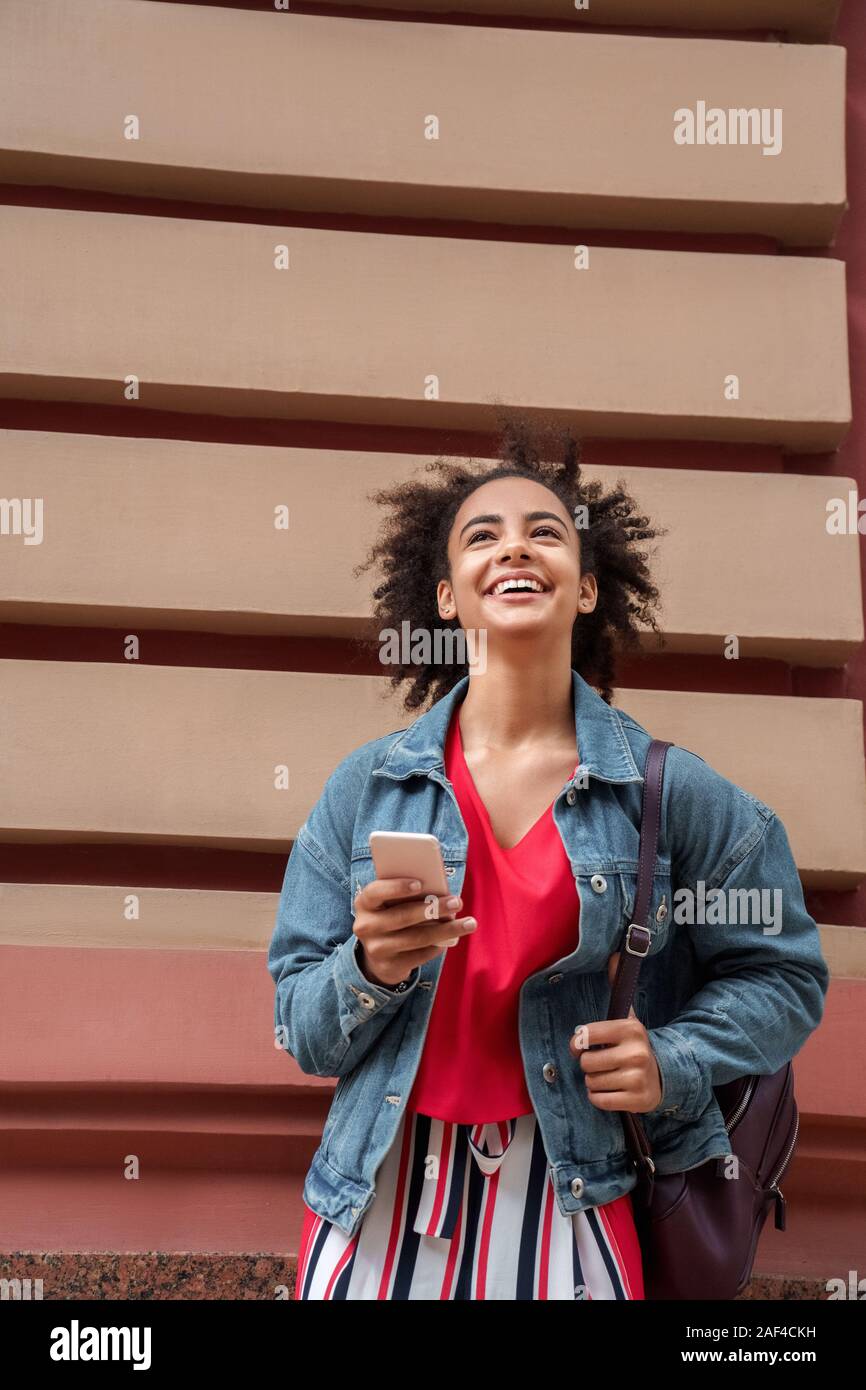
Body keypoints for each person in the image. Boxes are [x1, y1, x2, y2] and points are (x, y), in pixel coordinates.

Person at [268, 415, 829, 1301]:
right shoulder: (367, 786)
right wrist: (368, 966)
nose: (513, 548)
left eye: (546, 532)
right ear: (447, 595)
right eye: (481, 536)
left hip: (572, 1192)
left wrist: (671, 1060)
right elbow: (299, 1025)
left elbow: (787, 978)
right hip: (380, 1192)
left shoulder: (669, 794)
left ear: (590, 587)